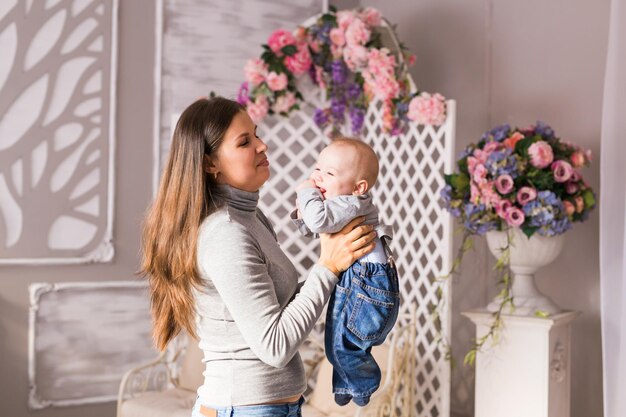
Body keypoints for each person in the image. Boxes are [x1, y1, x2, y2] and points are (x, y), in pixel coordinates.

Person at [140, 96, 377, 417]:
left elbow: (284, 309)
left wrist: (347, 276)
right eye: (245, 141)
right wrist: (328, 266)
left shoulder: (249, 218)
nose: (262, 145)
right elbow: (275, 346)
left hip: (269, 407)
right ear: (211, 163)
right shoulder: (225, 233)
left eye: (257, 133)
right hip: (242, 408)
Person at [290, 138, 399, 407]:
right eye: (317, 168)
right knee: (336, 338)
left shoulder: (350, 203)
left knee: (345, 342)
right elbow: (312, 227)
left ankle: (363, 387)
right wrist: (304, 207)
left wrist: (306, 193)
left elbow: (317, 221)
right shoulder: (339, 206)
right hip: (359, 280)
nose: (317, 177)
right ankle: (346, 386)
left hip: (367, 282)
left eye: (329, 173)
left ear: (358, 187)